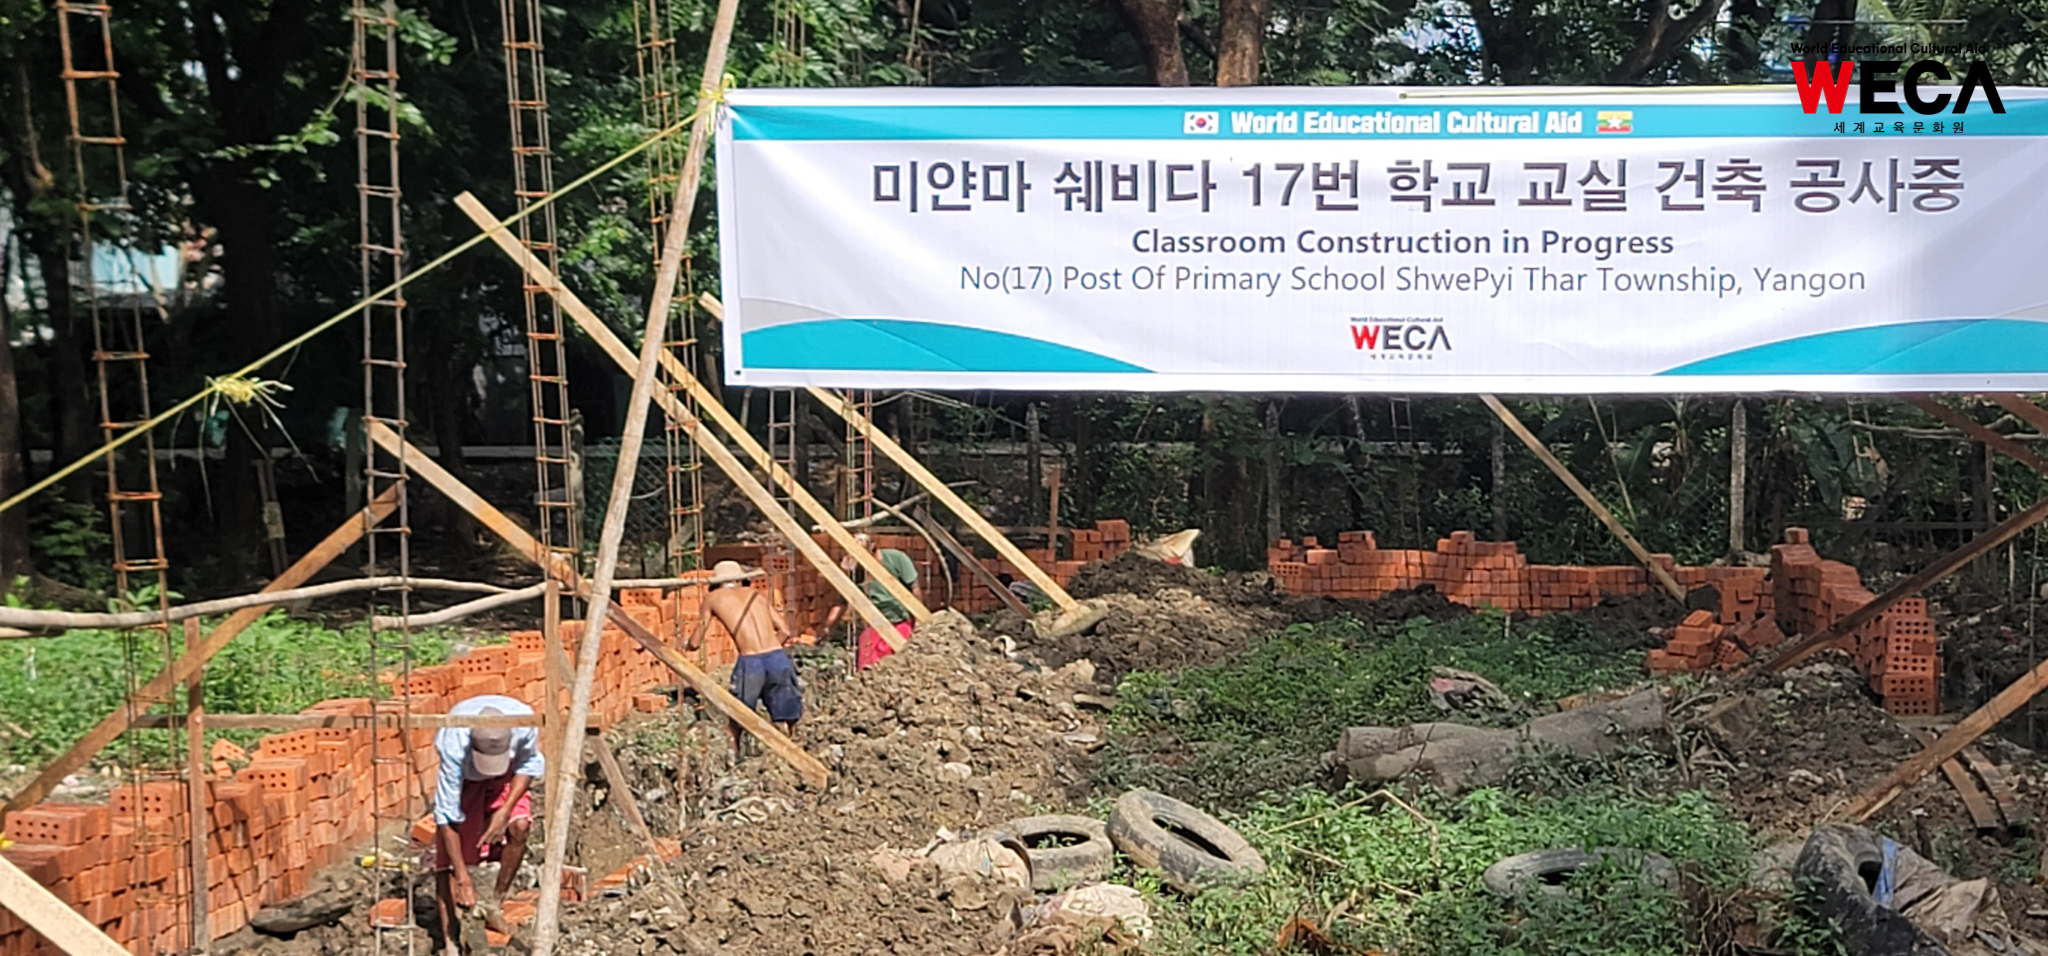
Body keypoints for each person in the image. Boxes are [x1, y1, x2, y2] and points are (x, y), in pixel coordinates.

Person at [432, 694, 543, 954]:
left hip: (508, 776)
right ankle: (451, 939)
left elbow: (528, 765)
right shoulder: (453, 744)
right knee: (451, 858)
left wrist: (504, 812)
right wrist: (463, 879)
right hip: (466, 780)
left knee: (520, 826)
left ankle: (494, 904)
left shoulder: (523, 724)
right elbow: (446, 816)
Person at [687, 560, 801, 762]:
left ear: (716, 583)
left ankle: (735, 757)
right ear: (741, 579)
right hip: (777, 657)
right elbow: (785, 631)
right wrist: (769, 650)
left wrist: (687, 645)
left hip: (750, 663)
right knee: (787, 714)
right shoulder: (757, 596)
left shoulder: (713, 599)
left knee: (738, 716)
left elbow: (696, 642)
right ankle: (793, 755)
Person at [820, 534, 917, 670]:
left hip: (900, 621)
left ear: (873, 550)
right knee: (868, 664)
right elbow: (841, 602)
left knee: (899, 663)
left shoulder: (897, 559)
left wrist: (918, 621)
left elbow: (915, 589)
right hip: (874, 624)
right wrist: (827, 628)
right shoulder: (858, 572)